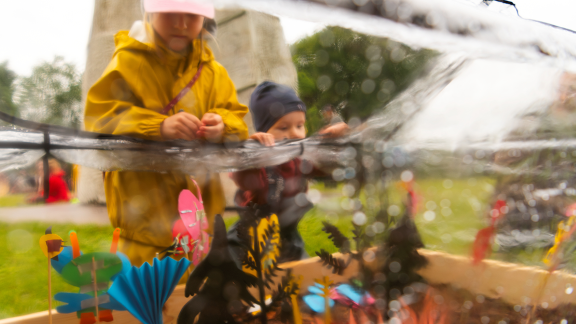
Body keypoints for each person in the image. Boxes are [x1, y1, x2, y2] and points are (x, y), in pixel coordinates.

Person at [84, 0, 248, 267]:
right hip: (142, 223)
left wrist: (222, 124)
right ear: (151, 11)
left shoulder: (214, 72)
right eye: (171, 11)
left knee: (197, 295)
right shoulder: (128, 60)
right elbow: (101, 117)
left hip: (199, 224)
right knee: (145, 295)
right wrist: (157, 126)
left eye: (193, 15)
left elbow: (237, 118)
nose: (181, 23)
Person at [229, 81, 348, 263]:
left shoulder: (300, 158)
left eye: (300, 126)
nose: (294, 133)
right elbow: (245, 179)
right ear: (264, 132)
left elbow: (325, 167)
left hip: (286, 232)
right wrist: (253, 153)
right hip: (250, 234)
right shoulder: (263, 159)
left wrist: (333, 141)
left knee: (300, 274)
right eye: (283, 128)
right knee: (244, 277)